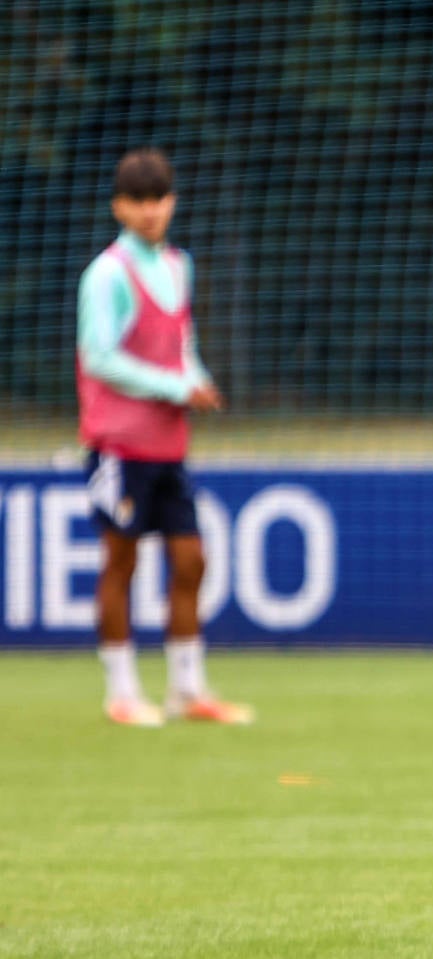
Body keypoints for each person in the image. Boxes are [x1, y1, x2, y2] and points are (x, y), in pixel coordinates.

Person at [77, 148, 252, 727]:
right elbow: (100, 357)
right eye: (139, 201)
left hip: (167, 445)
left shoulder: (179, 265)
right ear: (119, 207)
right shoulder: (107, 274)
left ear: (172, 202)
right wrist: (175, 386)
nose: (151, 211)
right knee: (120, 561)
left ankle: (187, 688)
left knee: (191, 560)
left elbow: (183, 344)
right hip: (118, 445)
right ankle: (122, 691)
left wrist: (196, 381)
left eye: (159, 199)